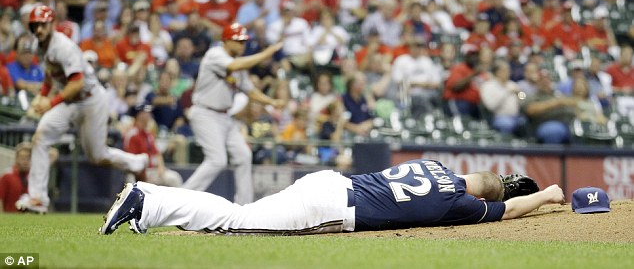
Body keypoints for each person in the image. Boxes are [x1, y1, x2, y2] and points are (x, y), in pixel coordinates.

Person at [99, 158, 565, 235]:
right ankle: (149, 200)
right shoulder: (457, 205)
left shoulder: (436, 168)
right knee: (235, 221)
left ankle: (151, 202)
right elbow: (507, 209)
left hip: (332, 183)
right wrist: (546, 194)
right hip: (331, 208)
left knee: (242, 217)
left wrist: (497, 182)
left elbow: (481, 182)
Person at [15, 5, 147, 213]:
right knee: (40, 137)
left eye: (42, 24)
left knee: (96, 155)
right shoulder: (40, 45)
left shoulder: (63, 46)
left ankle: (137, 162)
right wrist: (42, 95)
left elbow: (77, 83)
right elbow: (51, 75)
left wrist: (49, 102)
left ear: (52, 24)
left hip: (91, 100)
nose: (39, 29)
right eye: (35, 25)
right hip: (70, 103)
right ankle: (38, 198)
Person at [182, 23, 285, 205]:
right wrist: (266, 53)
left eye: (244, 41)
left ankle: (243, 208)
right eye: (238, 41)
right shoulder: (215, 54)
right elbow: (235, 65)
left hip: (224, 116)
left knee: (244, 155)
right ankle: (180, 199)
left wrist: (272, 102)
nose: (242, 45)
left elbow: (250, 91)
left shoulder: (239, 64)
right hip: (205, 113)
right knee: (217, 160)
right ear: (226, 40)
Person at [123, 104, 183, 187]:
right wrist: (142, 176)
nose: (149, 115)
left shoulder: (148, 134)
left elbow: (157, 153)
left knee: (174, 178)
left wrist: (161, 168)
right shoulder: (133, 134)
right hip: (139, 173)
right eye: (146, 113)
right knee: (173, 179)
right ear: (140, 115)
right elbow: (130, 159)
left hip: (153, 171)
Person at [0, 142, 31, 213]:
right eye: (23, 158)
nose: (25, 162)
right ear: (17, 158)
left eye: (28, 158)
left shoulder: (33, 178)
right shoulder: (7, 176)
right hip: (9, 219)